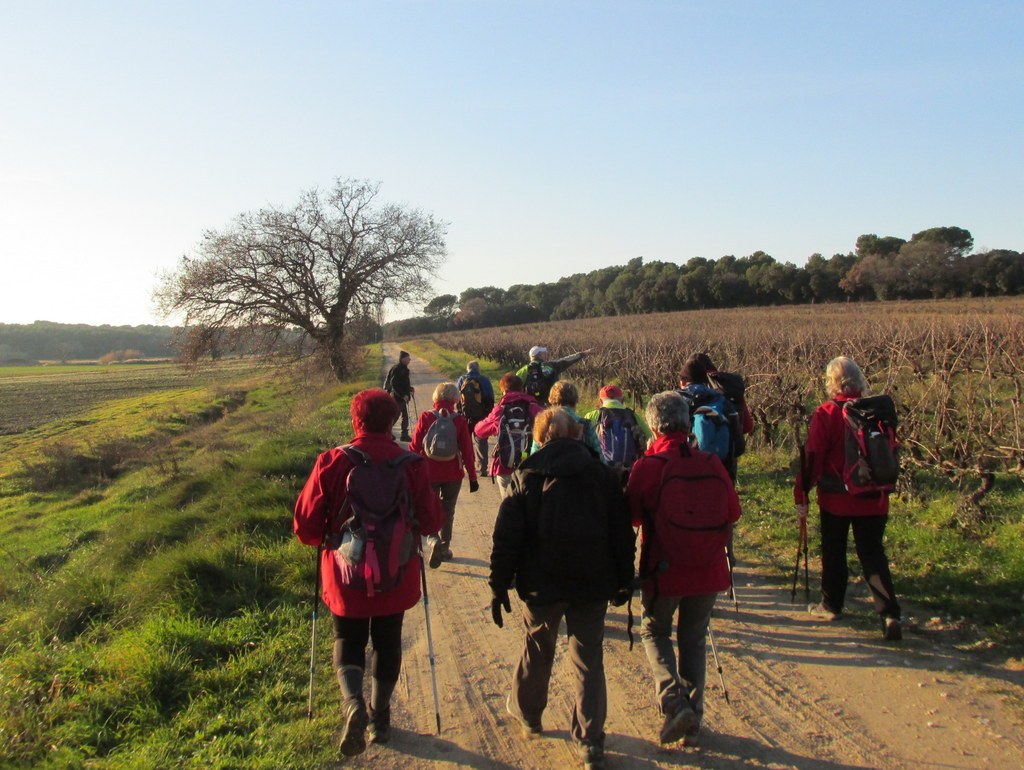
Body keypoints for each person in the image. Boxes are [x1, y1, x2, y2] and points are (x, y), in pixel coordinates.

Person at [293, 388, 443, 756]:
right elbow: (431, 519)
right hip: (396, 571)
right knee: (388, 640)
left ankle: (353, 704)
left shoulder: (332, 461)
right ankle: (380, 717)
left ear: (355, 419)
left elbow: (306, 528)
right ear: (392, 420)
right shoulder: (411, 463)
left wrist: (328, 538)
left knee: (349, 636)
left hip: (347, 576)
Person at [490, 408, 635, 770]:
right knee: (589, 659)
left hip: (542, 585)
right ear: (576, 436)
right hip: (593, 582)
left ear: (540, 438)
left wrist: (498, 584)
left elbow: (507, 537)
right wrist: (624, 579)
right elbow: (621, 534)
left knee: (537, 648)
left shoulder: (527, 474)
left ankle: (530, 716)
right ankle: (590, 742)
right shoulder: (601, 475)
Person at [626, 391, 741, 747]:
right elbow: (732, 512)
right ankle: (693, 719)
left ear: (653, 424)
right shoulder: (711, 463)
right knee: (693, 637)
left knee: (654, 631)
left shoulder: (648, 466)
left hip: (665, 571)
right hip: (708, 569)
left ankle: (674, 702)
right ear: (687, 422)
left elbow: (630, 516)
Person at [794, 356, 903, 641]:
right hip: (874, 496)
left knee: (834, 550)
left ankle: (831, 605)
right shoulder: (878, 411)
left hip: (837, 499)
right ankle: (890, 613)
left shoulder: (827, 413)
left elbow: (813, 456)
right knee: (873, 554)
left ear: (832, 382)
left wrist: (802, 489)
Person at [409, 382, 480, 568]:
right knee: (448, 510)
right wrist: (472, 477)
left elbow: (414, 448)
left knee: (428, 508)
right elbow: (467, 452)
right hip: (453, 474)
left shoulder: (425, 417)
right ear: (455, 399)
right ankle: (445, 547)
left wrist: (410, 472)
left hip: (428, 472)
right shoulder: (459, 420)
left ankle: (433, 540)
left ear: (436, 397)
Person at [473, 373, 543, 498]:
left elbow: (479, 431)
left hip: (505, 464)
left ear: (504, 390)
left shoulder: (501, 410)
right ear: (522, 389)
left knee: (508, 505)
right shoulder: (533, 407)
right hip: (529, 465)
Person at [583, 384, 650, 483]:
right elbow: (650, 439)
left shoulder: (591, 416)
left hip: (600, 475)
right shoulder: (634, 416)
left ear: (601, 402)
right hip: (629, 475)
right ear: (622, 401)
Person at [530, 381, 602, 459]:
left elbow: (534, 457)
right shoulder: (586, 425)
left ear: (551, 400)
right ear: (576, 400)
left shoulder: (544, 423)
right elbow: (599, 458)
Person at [456, 360, 496, 477]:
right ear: (478, 369)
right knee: (481, 441)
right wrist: (489, 414)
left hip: (465, 416)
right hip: (481, 416)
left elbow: (457, 398)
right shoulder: (484, 380)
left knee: (465, 442)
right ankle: (483, 468)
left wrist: (460, 412)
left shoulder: (461, 380)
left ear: (467, 369)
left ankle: (467, 466)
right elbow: (490, 397)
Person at [515, 345, 589, 406]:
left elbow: (512, 388)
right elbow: (566, 361)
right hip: (551, 404)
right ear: (539, 355)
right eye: (544, 353)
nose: (546, 355)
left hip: (531, 405)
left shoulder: (523, 371)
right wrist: (582, 354)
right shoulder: (551, 366)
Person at [383, 350, 415, 442]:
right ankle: (386, 432)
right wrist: (402, 395)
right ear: (403, 359)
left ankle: (404, 435)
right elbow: (394, 385)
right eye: (408, 358)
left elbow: (403, 384)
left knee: (405, 415)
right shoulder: (397, 369)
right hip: (397, 397)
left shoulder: (404, 369)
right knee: (395, 416)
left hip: (402, 397)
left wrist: (410, 389)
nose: (409, 360)